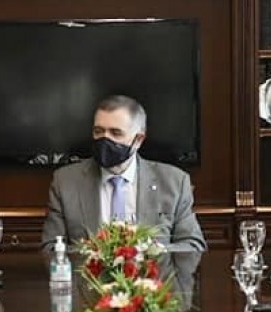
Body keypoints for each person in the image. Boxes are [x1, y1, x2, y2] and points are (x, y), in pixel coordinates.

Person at [41, 95, 207, 252]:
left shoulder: (174, 182)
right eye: (98, 131)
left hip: (153, 272)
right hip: (88, 272)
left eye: (115, 133)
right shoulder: (65, 181)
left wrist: (148, 252)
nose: (105, 139)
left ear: (138, 140)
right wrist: (98, 256)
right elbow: (50, 248)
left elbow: (193, 245)